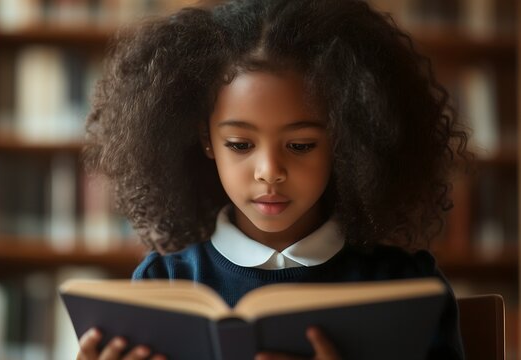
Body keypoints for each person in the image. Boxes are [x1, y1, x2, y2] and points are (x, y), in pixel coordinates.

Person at [78, 0, 469, 359]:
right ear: (206, 140)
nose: (269, 171)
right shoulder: (162, 286)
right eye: (240, 143)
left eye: (300, 145)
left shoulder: (406, 289)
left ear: (349, 140)